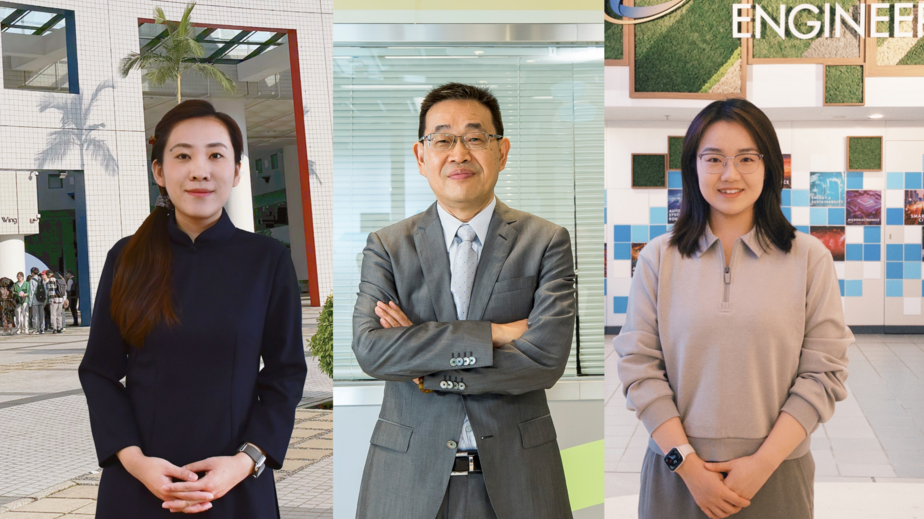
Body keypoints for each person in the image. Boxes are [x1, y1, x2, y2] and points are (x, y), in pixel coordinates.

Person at [613, 99, 852, 519]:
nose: (730, 174)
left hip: (777, 475)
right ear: (693, 167)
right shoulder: (658, 258)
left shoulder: (809, 257)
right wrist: (686, 466)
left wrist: (761, 466)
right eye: (714, 159)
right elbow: (639, 369)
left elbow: (824, 374)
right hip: (676, 478)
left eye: (746, 158)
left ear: (769, 167)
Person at [351, 83, 576, 519]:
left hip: (520, 481)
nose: (459, 154)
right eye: (442, 140)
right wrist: (494, 334)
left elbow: (546, 359)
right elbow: (372, 351)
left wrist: (423, 369)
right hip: (405, 481)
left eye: (475, 138)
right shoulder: (387, 246)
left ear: (502, 152)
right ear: (421, 156)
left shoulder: (545, 241)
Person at [78, 99, 307, 518]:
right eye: (182, 155)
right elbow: (99, 371)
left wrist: (245, 462)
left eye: (216, 155)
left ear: (236, 171)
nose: (200, 170)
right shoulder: (126, 257)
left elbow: (285, 374)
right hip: (139, 487)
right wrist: (136, 463)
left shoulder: (267, 260)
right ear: (159, 172)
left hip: (235, 486)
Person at [30, 267, 47, 334]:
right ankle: (42, 329)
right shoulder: (41, 279)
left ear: (32, 273)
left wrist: (30, 302)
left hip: (35, 300)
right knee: (42, 315)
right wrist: (45, 299)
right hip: (42, 299)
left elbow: (32, 291)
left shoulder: (32, 280)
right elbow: (45, 290)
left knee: (35, 315)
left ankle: (35, 329)